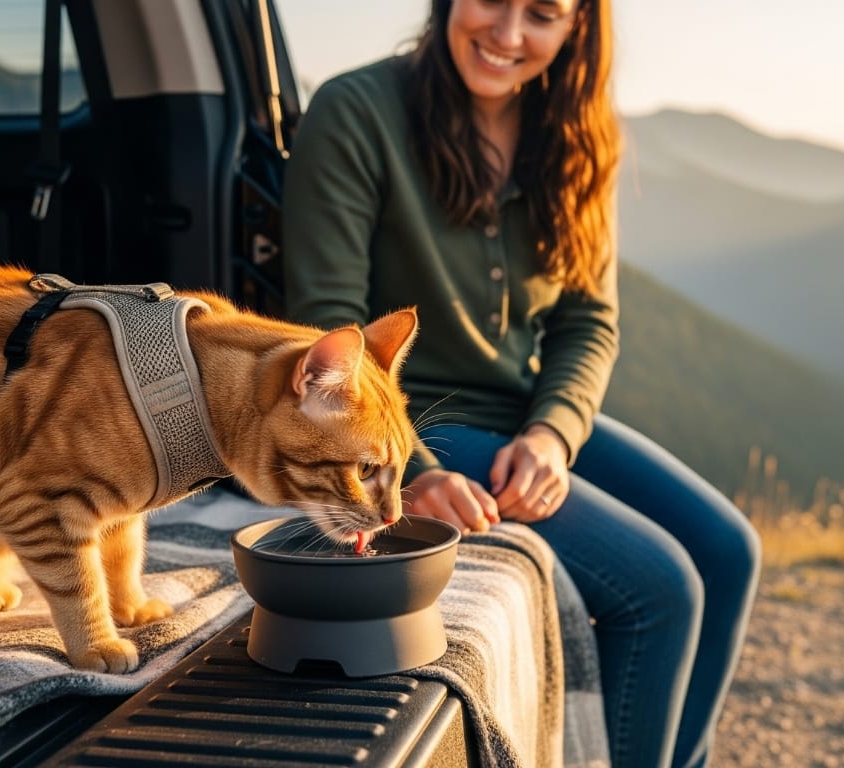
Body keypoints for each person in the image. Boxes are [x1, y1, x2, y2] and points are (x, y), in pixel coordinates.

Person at [280, 0, 760, 765]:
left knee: (729, 552)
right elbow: (325, 322)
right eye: (491, 1)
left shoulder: (575, 137)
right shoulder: (356, 110)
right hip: (420, 423)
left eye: (540, 13)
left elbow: (587, 323)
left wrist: (553, 435)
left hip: (527, 416)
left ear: (577, 28)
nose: (507, 35)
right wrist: (417, 475)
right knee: (660, 588)